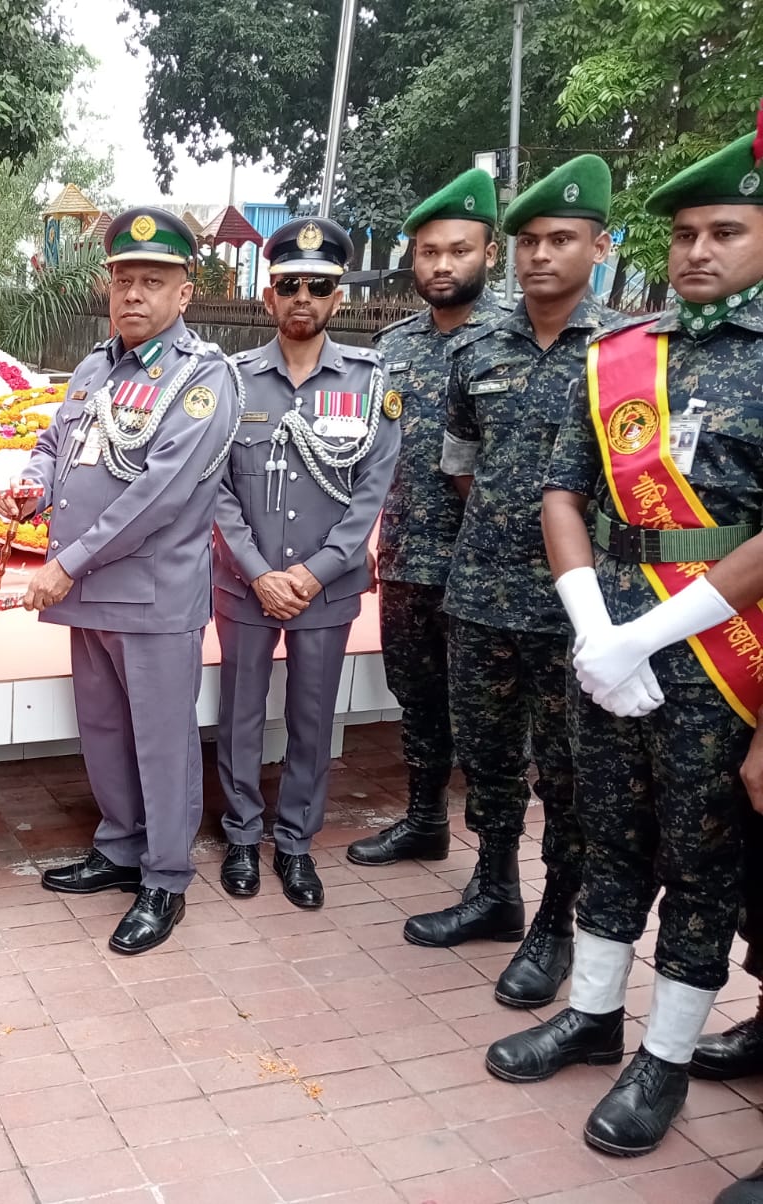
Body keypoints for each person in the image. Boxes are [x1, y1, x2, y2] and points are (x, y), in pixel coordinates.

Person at [483, 126, 763, 1165]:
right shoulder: (620, 356)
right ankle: (593, 1013)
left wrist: (649, 632)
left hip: (722, 654)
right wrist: (598, 631)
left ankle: (669, 1054)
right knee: (603, 832)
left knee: (699, 861)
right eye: (684, 232)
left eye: (724, 230)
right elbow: (564, 493)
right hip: (604, 645)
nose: (696, 251)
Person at [400, 156, 616, 1011]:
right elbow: (462, 465)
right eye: (527, 240)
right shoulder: (479, 348)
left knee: (566, 775)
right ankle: (494, 890)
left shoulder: (630, 351)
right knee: (487, 759)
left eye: (559, 239)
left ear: (598, 248)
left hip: (582, 608)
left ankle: (557, 925)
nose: (538, 256)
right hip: (482, 592)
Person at [9, 207, 239, 954]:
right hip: (89, 594)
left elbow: (161, 495)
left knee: (162, 740)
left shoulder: (203, 381)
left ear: (185, 292)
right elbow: (55, 440)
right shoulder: (93, 367)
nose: (133, 294)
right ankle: (118, 850)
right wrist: (32, 482)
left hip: (151, 593)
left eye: (153, 281)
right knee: (104, 728)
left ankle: (165, 880)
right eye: (123, 280)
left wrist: (64, 564)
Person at [212, 218, 400, 909]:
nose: (302, 297)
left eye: (318, 286)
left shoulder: (370, 381)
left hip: (327, 589)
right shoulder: (231, 382)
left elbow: (370, 491)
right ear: (269, 297)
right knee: (238, 713)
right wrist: (259, 570)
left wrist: (313, 573)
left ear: (337, 297)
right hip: (244, 582)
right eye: (289, 285)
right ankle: (240, 836)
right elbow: (217, 487)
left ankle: (294, 844)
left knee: (312, 718)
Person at [347, 169, 507, 869]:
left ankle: (496, 871)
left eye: (459, 250)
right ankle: (423, 821)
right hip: (410, 558)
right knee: (417, 698)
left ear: (490, 252)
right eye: (429, 252)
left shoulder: (520, 339)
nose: (442, 265)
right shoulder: (395, 348)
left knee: (494, 722)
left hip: (494, 572)